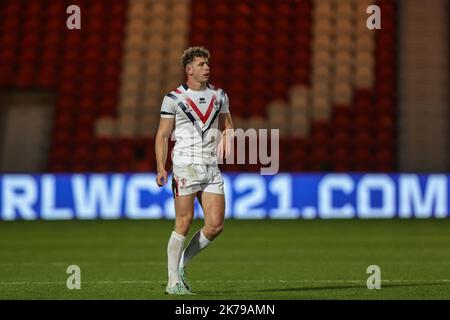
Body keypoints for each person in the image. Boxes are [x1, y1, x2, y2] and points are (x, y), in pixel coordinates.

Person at [154, 46, 234, 295]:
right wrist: (161, 167)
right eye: (201, 64)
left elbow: (228, 124)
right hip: (185, 165)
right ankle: (172, 283)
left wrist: (227, 139)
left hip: (211, 167)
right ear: (188, 70)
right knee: (184, 221)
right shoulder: (174, 98)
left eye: (207, 64)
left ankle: (180, 266)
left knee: (215, 225)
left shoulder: (220, 95)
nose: (207, 68)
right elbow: (163, 135)